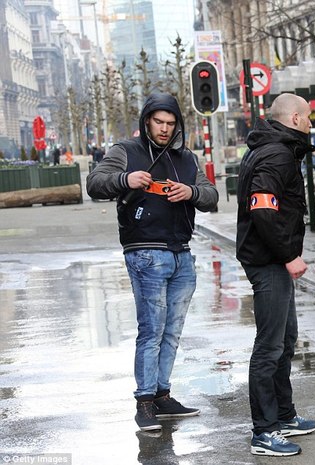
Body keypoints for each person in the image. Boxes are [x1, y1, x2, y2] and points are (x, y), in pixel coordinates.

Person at [86, 92, 219, 432]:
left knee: (172, 331)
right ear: (147, 121)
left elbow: (211, 195)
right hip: (145, 251)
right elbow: (95, 184)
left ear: (178, 125)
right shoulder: (125, 152)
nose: (164, 129)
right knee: (151, 330)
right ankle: (144, 402)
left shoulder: (186, 158)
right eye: (158, 122)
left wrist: (190, 192)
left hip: (181, 253)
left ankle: (162, 395)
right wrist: (124, 180)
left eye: (170, 123)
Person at [235, 93, 315, 457]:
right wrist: (289, 255)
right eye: (309, 118)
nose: (311, 124)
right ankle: (264, 432)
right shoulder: (277, 154)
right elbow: (263, 210)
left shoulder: (272, 148)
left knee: (286, 339)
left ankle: (284, 416)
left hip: (271, 257)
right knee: (269, 346)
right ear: (296, 118)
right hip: (268, 260)